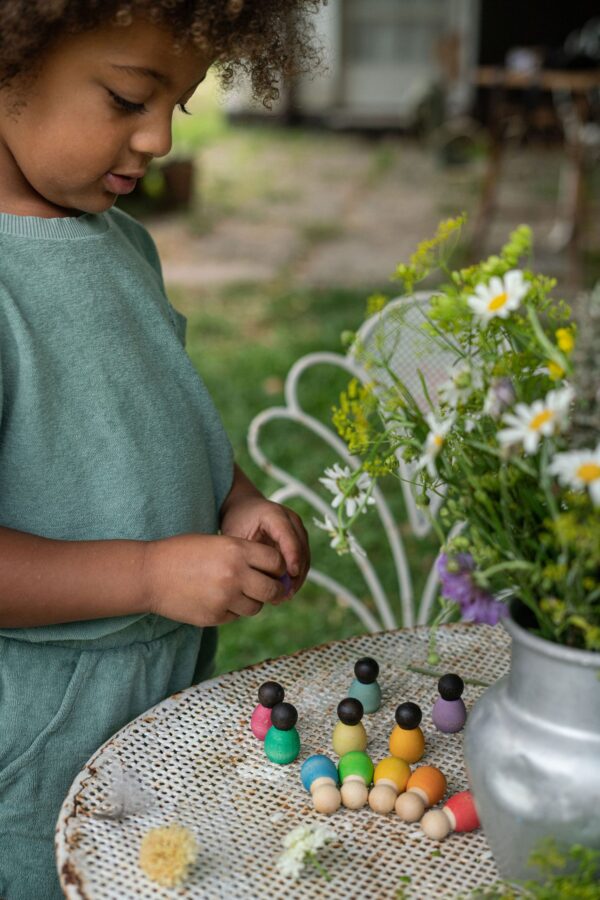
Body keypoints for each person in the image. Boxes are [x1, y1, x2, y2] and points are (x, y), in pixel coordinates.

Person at [0, 2, 322, 896]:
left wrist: (237, 499)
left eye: (175, 107)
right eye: (127, 97)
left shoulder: (124, 244)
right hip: (34, 737)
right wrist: (147, 575)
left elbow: (162, 416)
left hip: (160, 695)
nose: (159, 140)